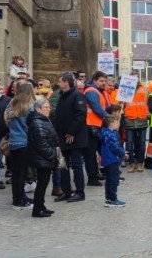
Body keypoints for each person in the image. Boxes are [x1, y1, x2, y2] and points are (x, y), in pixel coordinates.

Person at [53, 72, 88, 203]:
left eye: (60, 81)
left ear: (66, 83)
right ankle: (66, 191)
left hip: (75, 138)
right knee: (63, 166)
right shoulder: (62, 96)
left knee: (76, 165)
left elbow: (80, 115)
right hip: (62, 137)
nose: (58, 83)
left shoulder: (77, 95)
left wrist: (72, 132)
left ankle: (80, 192)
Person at [26, 98, 57, 218]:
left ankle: (41, 205)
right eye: (46, 108)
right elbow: (41, 143)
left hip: (45, 157)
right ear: (38, 109)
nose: (49, 110)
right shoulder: (37, 122)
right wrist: (52, 155)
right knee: (41, 184)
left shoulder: (44, 120)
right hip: (42, 158)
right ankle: (37, 209)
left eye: (49, 107)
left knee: (44, 183)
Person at [6, 84, 35, 209]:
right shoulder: (29, 107)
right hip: (24, 142)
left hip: (13, 142)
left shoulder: (11, 105)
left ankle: (18, 197)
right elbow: (29, 126)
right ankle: (19, 201)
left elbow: (6, 121)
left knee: (17, 173)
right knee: (22, 173)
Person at [80, 72, 109, 187]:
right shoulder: (91, 91)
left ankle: (95, 173)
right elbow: (97, 108)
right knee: (90, 154)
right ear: (95, 80)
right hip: (91, 126)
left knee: (94, 152)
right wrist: (109, 118)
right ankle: (92, 178)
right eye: (101, 81)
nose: (104, 83)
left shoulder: (95, 91)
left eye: (104, 81)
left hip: (95, 125)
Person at [98, 115, 126, 207]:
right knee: (114, 180)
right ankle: (113, 199)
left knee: (109, 180)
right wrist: (123, 154)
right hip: (112, 159)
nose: (119, 124)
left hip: (107, 159)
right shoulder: (111, 134)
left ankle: (108, 199)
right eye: (117, 122)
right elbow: (115, 147)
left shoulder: (104, 133)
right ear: (111, 124)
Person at [123, 80, 149, 174]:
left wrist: (147, 114)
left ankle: (140, 162)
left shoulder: (145, 89)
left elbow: (148, 102)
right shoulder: (125, 88)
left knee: (142, 142)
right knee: (129, 143)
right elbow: (121, 103)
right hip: (130, 118)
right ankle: (131, 162)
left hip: (142, 118)